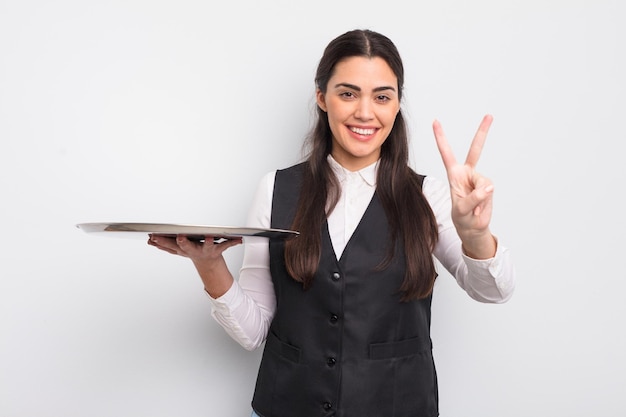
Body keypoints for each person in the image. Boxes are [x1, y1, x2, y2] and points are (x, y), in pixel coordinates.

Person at [148, 29, 515, 417]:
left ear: (396, 105)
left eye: (382, 96)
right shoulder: (276, 189)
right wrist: (209, 265)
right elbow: (253, 331)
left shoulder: (428, 196)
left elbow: (494, 291)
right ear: (322, 98)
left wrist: (475, 234)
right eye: (348, 93)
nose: (365, 112)